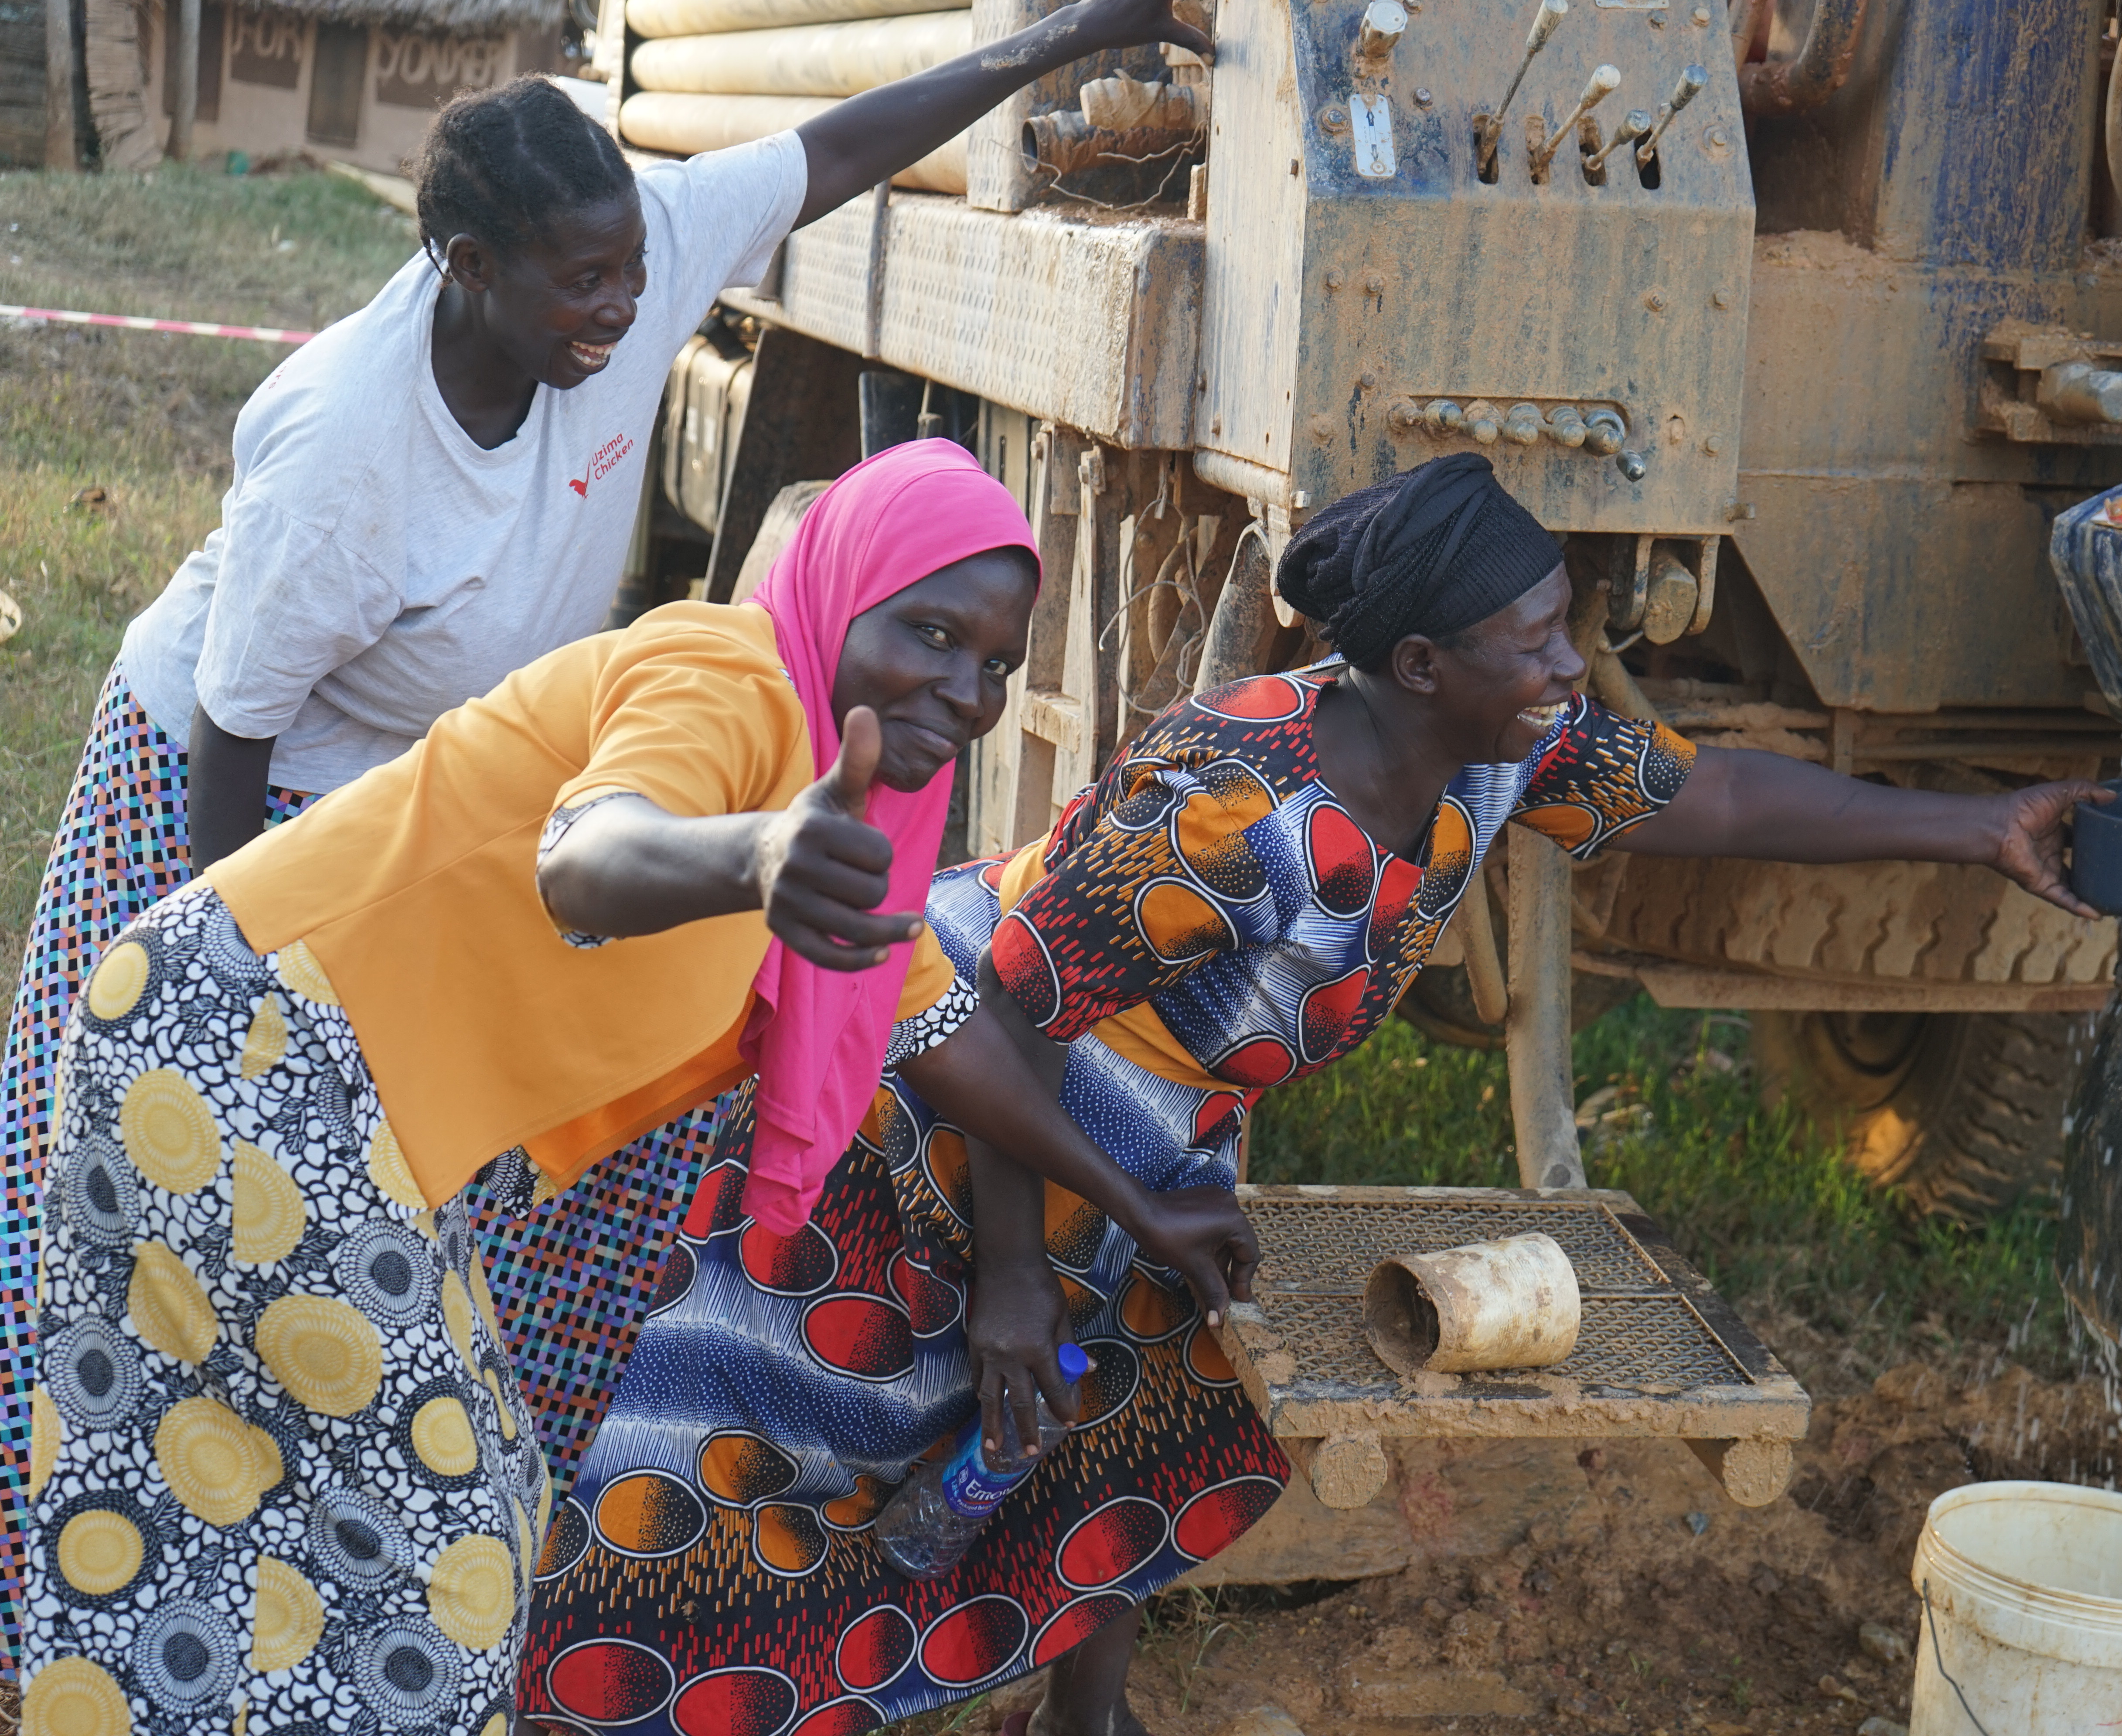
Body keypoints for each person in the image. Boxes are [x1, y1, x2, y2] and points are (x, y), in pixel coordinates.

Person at [0, 0, 1212, 1672]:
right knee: (108, 1208)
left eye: (632, 276)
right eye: (582, 285)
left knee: (352, 1356)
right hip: (234, 799)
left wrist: (1072, 35)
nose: (624, 308)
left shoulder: (627, 275)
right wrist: (235, 978)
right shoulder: (357, 455)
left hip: (430, 823)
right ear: (463, 266)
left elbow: (842, 145)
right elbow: (252, 722)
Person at [520, 454, 2106, 1735]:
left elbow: (1716, 792)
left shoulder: (1500, 758)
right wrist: (1011, 1273)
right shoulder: (1236, 800)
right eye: (1538, 638)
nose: (1570, 664)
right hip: (937, 1115)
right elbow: (1010, 989)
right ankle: (637, 1695)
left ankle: (1087, 1714)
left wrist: (1978, 829)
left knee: (1156, 1410)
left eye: (1567, 625)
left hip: (1141, 1152)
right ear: (1418, 665)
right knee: (791, 1441)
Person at [15, 443, 1257, 1736]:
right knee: (451, 1543)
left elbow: (948, 1035)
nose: (966, 687)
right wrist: (759, 850)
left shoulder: (863, 835)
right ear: (843, 591)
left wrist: (1137, 1206)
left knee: (282, 1492)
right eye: (932, 633)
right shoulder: (724, 681)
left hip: (307, 1081)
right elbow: (589, 852)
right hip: (248, 1045)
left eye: (995, 665)